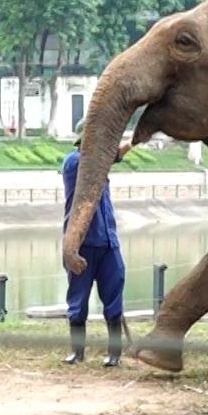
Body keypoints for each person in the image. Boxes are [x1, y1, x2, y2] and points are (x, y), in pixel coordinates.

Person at [59, 138, 129, 366]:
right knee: (78, 301)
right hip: (82, 244)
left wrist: (137, 138)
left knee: (114, 297)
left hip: (108, 241)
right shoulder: (74, 163)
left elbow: (115, 156)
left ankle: (115, 354)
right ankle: (77, 352)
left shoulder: (99, 163)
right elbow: (106, 159)